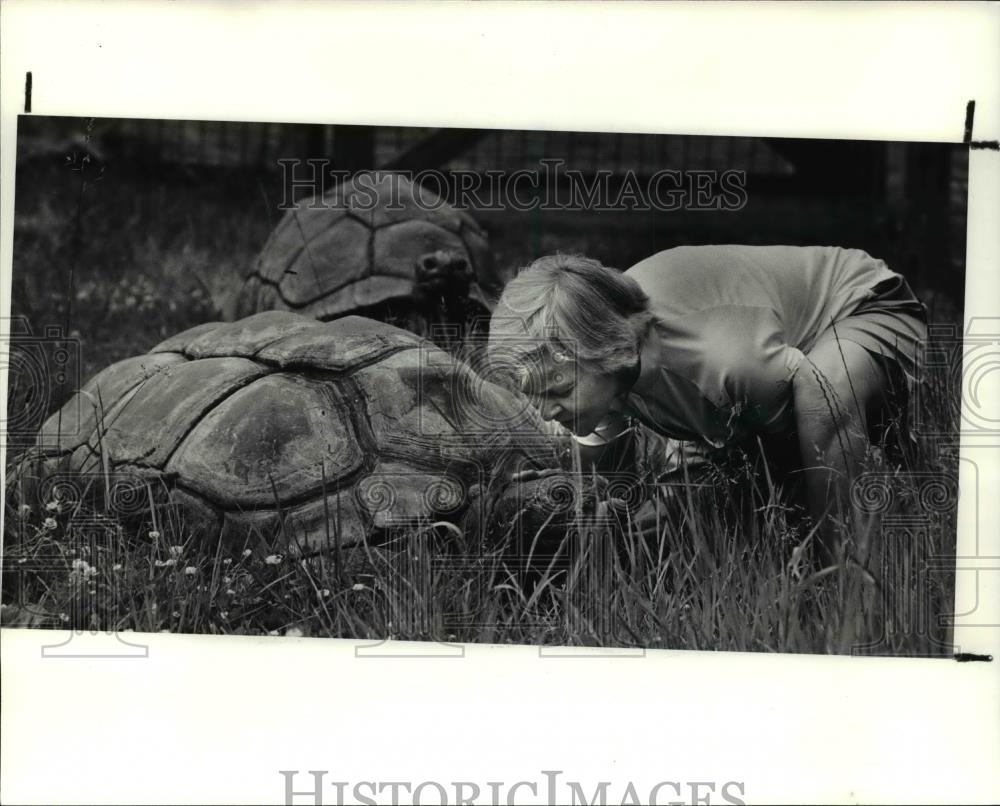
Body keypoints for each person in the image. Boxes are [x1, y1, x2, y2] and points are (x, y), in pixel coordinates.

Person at [488, 246, 928, 566]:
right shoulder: (608, 366)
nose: (548, 412)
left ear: (607, 352)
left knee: (821, 394)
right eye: (537, 396)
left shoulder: (725, 360)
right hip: (750, 379)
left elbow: (788, 448)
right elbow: (601, 462)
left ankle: (841, 571)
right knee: (675, 521)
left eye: (558, 392)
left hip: (862, 307)